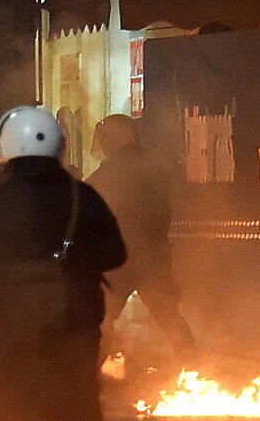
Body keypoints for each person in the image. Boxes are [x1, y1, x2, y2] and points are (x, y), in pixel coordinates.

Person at [0, 106, 126, 421]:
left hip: (12, 332)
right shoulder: (82, 196)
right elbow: (115, 254)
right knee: (77, 403)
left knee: (17, 406)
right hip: (75, 324)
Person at [86, 114, 196, 358]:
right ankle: (196, 367)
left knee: (102, 318)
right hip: (152, 257)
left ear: (119, 137)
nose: (103, 145)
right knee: (168, 316)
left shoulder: (115, 170)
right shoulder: (152, 165)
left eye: (105, 138)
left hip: (121, 260)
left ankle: (88, 377)